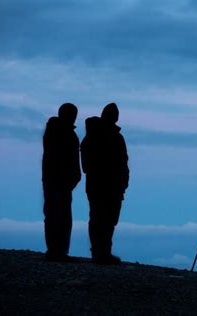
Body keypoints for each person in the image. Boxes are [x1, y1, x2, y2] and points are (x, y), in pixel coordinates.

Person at [81, 103, 129, 264]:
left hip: (111, 186)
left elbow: (123, 163)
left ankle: (103, 252)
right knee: (100, 219)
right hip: (101, 186)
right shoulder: (96, 136)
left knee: (107, 220)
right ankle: (99, 253)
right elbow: (87, 164)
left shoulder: (114, 137)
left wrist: (123, 183)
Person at [42, 103, 81, 262]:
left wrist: (73, 179)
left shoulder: (63, 133)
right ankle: (56, 251)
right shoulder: (60, 132)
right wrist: (67, 179)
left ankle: (58, 250)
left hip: (60, 182)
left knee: (59, 216)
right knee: (58, 216)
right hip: (57, 182)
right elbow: (59, 159)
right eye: (72, 113)